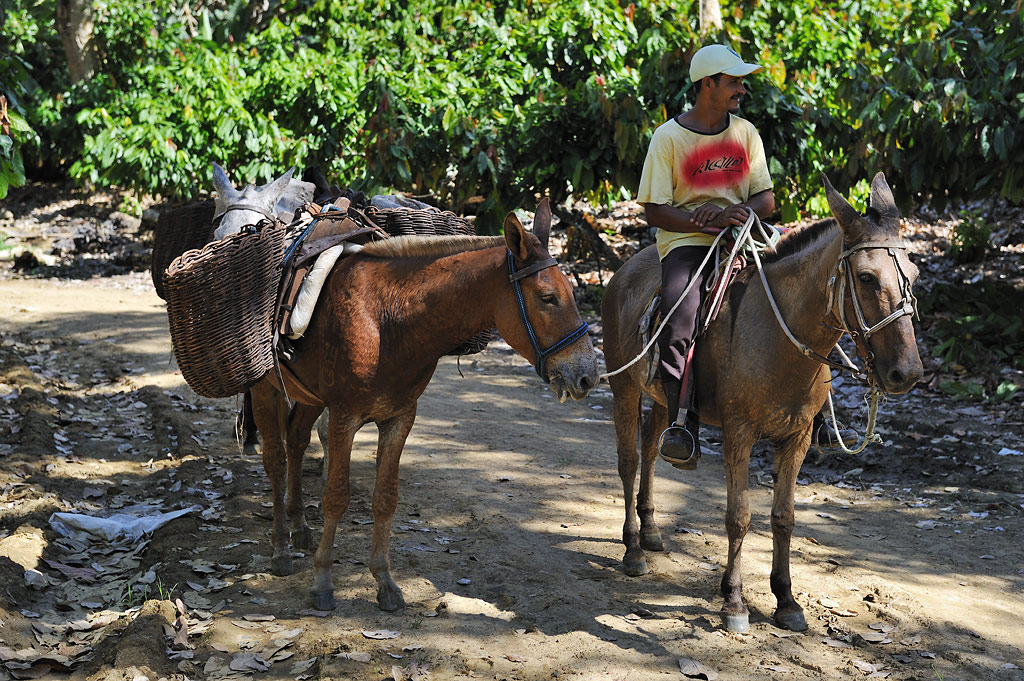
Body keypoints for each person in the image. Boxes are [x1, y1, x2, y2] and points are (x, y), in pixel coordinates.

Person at [636, 44, 776, 470]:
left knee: (806, 286)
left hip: (741, 236)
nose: (741, 90)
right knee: (680, 317)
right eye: (733, 82)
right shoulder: (669, 138)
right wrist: (700, 222)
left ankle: (818, 413)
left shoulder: (746, 133)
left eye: (740, 82)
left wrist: (743, 212)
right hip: (686, 243)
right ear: (707, 85)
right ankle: (683, 425)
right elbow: (655, 210)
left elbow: (766, 199)